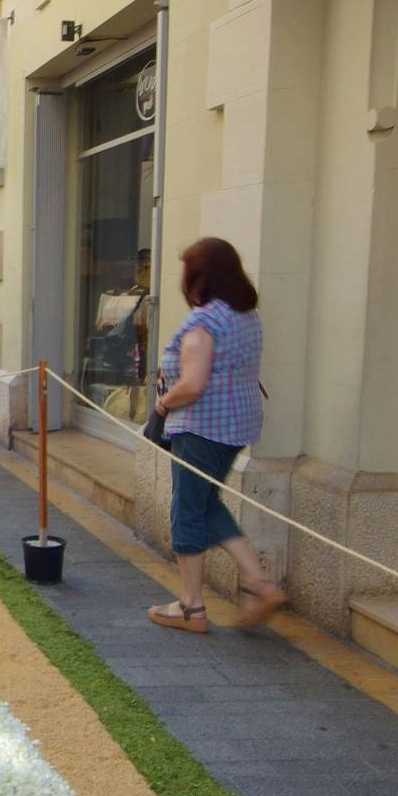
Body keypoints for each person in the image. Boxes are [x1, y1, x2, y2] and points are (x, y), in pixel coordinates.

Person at [148, 237, 285, 636]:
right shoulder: (245, 315)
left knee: (187, 510)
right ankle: (259, 583)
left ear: (199, 277)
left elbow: (192, 384)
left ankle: (191, 606)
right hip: (236, 426)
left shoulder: (204, 322)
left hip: (201, 428)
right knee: (207, 504)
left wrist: (162, 405)